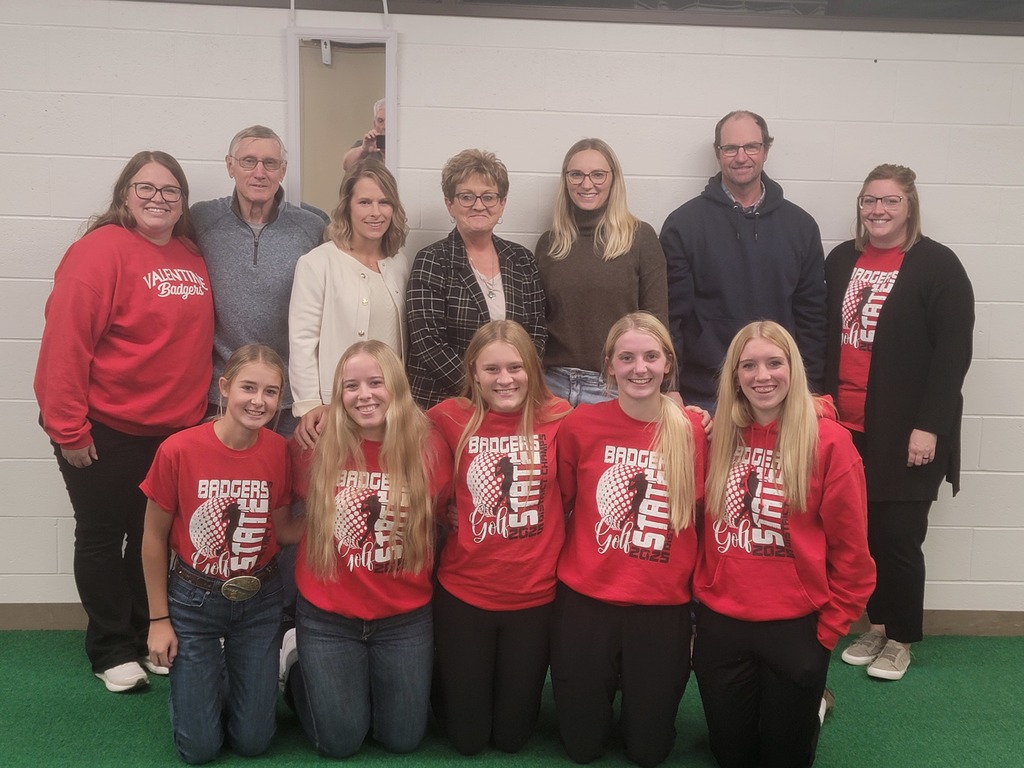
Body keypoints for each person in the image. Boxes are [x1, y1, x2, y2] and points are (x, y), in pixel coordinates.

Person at [33, 151, 214, 693]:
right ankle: (110, 648)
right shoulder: (99, 251)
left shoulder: (189, 253)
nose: (158, 198)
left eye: (170, 190)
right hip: (104, 430)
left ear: (182, 201)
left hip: (172, 433)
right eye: (146, 187)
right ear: (124, 194)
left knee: (150, 537)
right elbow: (65, 343)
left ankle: (146, 634)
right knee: (101, 536)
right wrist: (68, 429)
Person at [692, 321, 875, 768]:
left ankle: (813, 705)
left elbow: (853, 556)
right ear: (734, 376)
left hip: (796, 625)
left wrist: (827, 633)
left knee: (784, 759)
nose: (762, 376)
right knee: (732, 756)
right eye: (749, 365)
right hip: (722, 621)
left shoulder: (830, 443)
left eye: (774, 363)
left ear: (793, 369)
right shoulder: (715, 438)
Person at [827, 164, 974, 681]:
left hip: (909, 430)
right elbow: (824, 337)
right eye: (870, 200)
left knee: (899, 537)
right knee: (862, 535)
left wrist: (929, 426)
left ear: (910, 206)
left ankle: (902, 638)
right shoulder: (841, 260)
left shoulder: (937, 265)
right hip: (847, 427)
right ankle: (878, 625)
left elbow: (952, 355)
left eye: (890, 201)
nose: (878, 210)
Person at [551, 312, 707, 768]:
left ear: (668, 363)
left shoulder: (693, 430)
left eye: (651, 357)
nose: (640, 368)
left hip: (660, 607)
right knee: (583, 749)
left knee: (648, 752)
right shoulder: (580, 425)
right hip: (587, 601)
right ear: (609, 365)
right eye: (627, 358)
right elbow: (561, 502)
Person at [285, 341, 453, 758]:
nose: (365, 395)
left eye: (376, 383)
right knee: (340, 743)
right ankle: (296, 669)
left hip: (403, 619)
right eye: (351, 386)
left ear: (396, 385)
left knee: (402, 739)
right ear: (338, 395)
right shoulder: (312, 446)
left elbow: (444, 513)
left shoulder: (430, 447)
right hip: (328, 618)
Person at [141, 345, 304, 764]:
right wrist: (159, 620)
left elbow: (284, 530)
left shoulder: (278, 451)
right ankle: (202, 681)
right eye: (248, 387)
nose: (258, 401)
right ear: (225, 387)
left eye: (270, 392)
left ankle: (249, 671)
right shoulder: (178, 450)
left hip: (260, 600)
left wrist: (332, 514)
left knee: (253, 743)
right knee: (199, 749)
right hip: (193, 601)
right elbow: (153, 539)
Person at [426, 320, 570, 754]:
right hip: (464, 594)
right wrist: (444, 510)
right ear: (473, 372)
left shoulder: (561, 417)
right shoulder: (448, 417)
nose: (504, 379)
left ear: (532, 369)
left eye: (515, 367)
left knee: (511, 739)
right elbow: (393, 443)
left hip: (535, 598)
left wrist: (692, 414)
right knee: (467, 740)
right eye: (492, 369)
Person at [660, 110, 826, 411]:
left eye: (751, 147)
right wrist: (670, 387)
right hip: (704, 394)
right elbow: (672, 317)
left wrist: (810, 390)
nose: (741, 157)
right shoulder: (683, 225)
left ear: (765, 151)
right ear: (718, 153)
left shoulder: (801, 227)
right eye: (730, 148)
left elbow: (812, 316)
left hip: (777, 392)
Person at [191, 125, 325, 437]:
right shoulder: (201, 220)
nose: (260, 172)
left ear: (283, 170)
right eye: (249, 161)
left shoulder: (312, 226)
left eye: (270, 163)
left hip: (289, 398)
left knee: (283, 469)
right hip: (222, 394)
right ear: (230, 166)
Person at [406, 149, 546, 408]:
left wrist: (510, 386)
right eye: (467, 196)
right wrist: (480, 389)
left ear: (502, 203)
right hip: (445, 403)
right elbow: (428, 343)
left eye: (488, 197)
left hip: (510, 401)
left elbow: (537, 333)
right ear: (450, 203)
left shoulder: (522, 260)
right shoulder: (432, 260)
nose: (479, 205)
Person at [536, 138, 670, 407]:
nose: (587, 184)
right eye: (576, 174)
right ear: (566, 180)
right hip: (553, 386)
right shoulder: (550, 243)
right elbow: (537, 323)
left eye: (598, 174)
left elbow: (657, 322)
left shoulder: (640, 238)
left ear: (613, 179)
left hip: (613, 386)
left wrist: (669, 387)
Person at [288, 159, 411, 449]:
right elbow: (302, 341)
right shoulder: (317, 263)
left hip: (389, 410)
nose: (376, 212)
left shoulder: (400, 263)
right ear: (347, 207)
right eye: (365, 202)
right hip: (334, 410)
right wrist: (310, 405)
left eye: (384, 202)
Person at [342, 98, 386, 172]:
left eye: (389, 121)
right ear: (374, 124)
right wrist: (363, 149)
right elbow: (346, 166)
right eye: (380, 121)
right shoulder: (366, 144)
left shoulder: (402, 147)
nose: (384, 127)